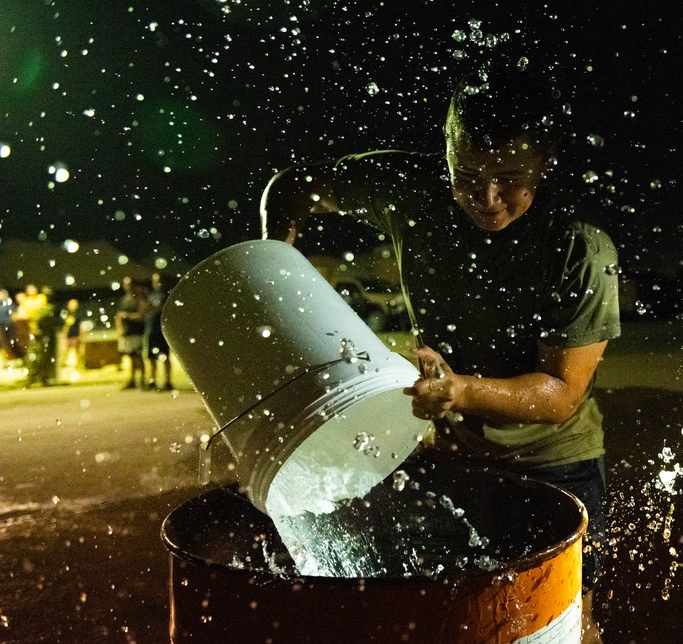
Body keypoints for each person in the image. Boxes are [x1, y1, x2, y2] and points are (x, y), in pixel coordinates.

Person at [261, 58, 620, 641]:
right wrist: (276, 263)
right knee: (449, 623)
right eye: (467, 174)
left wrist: (459, 391)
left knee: (562, 626)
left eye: (511, 178)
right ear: (446, 147)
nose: (488, 198)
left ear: (546, 161)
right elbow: (293, 184)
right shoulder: (406, 186)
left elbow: (559, 394)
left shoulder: (578, 243)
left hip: (557, 466)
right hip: (449, 458)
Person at [115, 276, 148, 389]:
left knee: (138, 357)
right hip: (127, 332)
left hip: (137, 331)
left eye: (129, 284)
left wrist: (127, 316)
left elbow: (142, 315)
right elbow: (118, 315)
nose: (127, 287)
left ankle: (143, 380)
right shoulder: (124, 299)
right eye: (125, 284)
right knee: (131, 357)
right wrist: (120, 329)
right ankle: (133, 379)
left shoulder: (139, 299)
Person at [144, 273, 173, 391]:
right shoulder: (150, 296)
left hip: (162, 331)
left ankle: (167, 381)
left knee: (164, 357)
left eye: (159, 281)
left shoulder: (167, 296)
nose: (157, 283)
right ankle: (152, 380)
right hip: (151, 330)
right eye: (155, 281)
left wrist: (151, 307)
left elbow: (160, 308)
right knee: (151, 358)